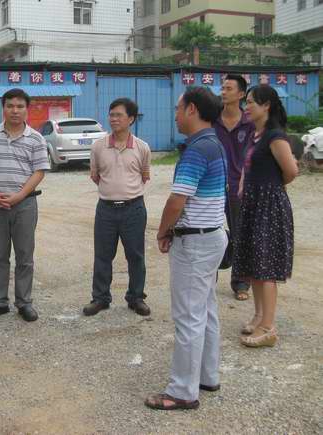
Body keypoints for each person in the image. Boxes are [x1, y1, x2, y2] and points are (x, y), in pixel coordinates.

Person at [145, 87, 227, 411]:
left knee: (189, 316)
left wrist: (163, 231)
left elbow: (177, 200)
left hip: (195, 242)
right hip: (211, 236)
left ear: (192, 109)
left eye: (178, 109)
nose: (176, 115)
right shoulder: (214, 143)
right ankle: (207, 375)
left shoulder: (197, 149)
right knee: (205, 309)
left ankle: (182, 391)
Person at [0, 88, 50, 322]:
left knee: (25, 255)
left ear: (27, 109)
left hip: (25, 205)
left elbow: (39, 171)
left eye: (19, 106)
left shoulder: (36, 138)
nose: (14, 110)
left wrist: (19, 196)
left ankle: (24, 302)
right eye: (10, 106)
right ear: (3, 108)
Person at [233, 85, 298, 347]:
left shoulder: (275, 136)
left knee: (266, 266)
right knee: (254, 265)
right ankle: (259, 317)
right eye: (246, 102)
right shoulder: (256, 135)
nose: (246, 107)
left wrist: (270, 189)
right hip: (253, 205)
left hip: (269, 207)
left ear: (266, 105)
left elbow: (291, 171)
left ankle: (269, 328)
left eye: (251, 102)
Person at [82, 98, 152, 317]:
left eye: (119, 115)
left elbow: (144, 175)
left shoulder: (142, 147)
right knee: (102, 256)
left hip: (134, 209)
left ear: (131, 119)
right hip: (106, 209)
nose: (113, 119)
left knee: (136, 256)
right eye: (111, 114)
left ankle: (136, 297)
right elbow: (96, 176)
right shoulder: (98, 146)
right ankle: (100, 298)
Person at [213, 74, 255, 301]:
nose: (223, 92)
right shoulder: (212, 119)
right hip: (212, 186)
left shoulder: (250, 122)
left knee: (240, 234)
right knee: (209, 233)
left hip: (239, 187)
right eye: (222, 88)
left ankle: (241, 282)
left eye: (229, 88)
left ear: (241, 94)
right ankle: (209, 279)